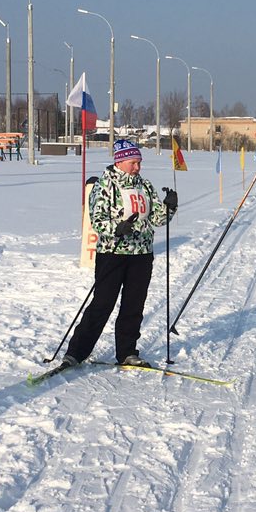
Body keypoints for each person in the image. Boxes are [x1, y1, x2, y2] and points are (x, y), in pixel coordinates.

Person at [61, 139, 176, 368]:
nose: (137, 167)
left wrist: (169, 208)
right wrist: (118, 228)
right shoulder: (105, 185)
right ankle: (76, 352)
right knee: (102, 303)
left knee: (134, 305)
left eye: (139, 162)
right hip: (113, 252)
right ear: (120, 161)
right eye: (133, 162)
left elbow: (156, 219)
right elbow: (97, 220)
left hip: (142, 254)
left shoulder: (144, 185)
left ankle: (127, 352)